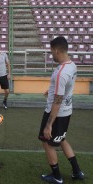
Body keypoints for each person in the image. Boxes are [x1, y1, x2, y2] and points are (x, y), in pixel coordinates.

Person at [38, 36, 84, 184]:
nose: (51, 54)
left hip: (57, 113)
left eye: (52, 52)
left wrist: (49, 124)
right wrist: (50, 90)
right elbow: (64, 87)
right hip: (67, 111)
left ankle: (57, 176)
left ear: (57, 51)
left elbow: (57, 101)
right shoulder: (72, 65)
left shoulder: (61, 73)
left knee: (47, 142)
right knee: (62, 139)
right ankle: (77, 171)